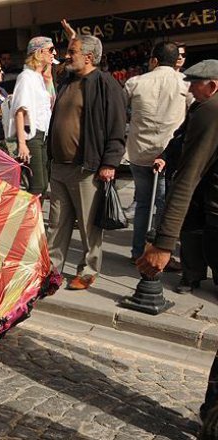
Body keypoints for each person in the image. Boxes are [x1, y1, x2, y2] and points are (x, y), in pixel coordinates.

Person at [133, 59, 218, 440]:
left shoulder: (212, 111)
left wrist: (163, 242)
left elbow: (188, 178)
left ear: (212, 86)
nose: (189, 90)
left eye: (195, 85)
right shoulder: (203, 112)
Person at [47, 35, 126, 291]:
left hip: (86, 168)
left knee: (89, 227)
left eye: (72, 52)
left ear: (89, 57)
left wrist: (109, 163)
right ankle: (51, 269)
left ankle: (88, 270)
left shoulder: (105, 84)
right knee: (57, 224)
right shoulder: (67, 81)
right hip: (59, 166)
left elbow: (116, 127)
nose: (67, 55)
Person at [124, 41, 188, 262]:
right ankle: (158, 254)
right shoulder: (185, 84)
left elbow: (122, 111)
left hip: (138, 153)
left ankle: (137, 252)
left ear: (154, 60)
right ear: (176, 60)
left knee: (143, 203)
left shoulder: (135, 82)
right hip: (168, 155)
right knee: (163, 205)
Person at [10, 37, 56, 195]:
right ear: (40, 51)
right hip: (32, 135)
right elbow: (19, 111)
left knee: (42, 186)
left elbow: (51, 103)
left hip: (43, 134)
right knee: (37, 186)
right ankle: (31, 220)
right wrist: (22, 143)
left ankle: (35, 220)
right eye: (51, 50)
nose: (54, 53)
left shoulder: (38, 78)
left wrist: (48, 78)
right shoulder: (26, 77)